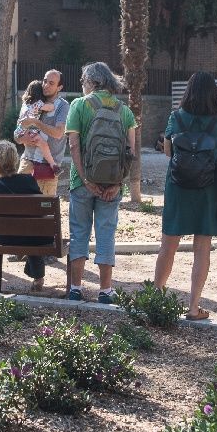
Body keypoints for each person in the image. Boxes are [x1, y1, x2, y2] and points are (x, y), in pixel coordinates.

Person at [154, 71, 217, 322]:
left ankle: (155, 299)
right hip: (207, 189)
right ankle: (194, 307)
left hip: (178, 186)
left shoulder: (176, 117)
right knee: (202, 249)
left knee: (168, 245)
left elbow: (167, 151)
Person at [64, 61, 137, 304]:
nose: (82, 85)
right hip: (112, 185)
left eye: (84, 81)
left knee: (79, 233)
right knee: (106, 234)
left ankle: (75, 288)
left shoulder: (79, 105)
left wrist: (86, 180)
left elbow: (73, 144)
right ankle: (105, 290)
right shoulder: (124, 111)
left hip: (81, 182)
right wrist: (117, 183)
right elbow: (131, 151)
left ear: (93, 82)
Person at [0, 139, 54, 289]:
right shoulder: (29, 181)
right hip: (36, 237)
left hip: (6, 237)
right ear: (15, 160)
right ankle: (38, 277)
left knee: (26, 231)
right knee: (32, 231)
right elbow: (39, 211)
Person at [17, 69, 70, 196]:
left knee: (44, 209)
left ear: (59, 87)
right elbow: (17, 134)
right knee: (19, 206)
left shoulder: (63, 106)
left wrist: (36, 122)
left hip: (48, 167)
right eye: (45, 81)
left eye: (51, 83)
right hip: (27, 161)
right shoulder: (30, 103)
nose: (46, 85)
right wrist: (23, 139)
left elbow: (58, 133)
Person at [17, 79, 60, 175]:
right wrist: (50, 103)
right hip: (28, 130)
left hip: (20, 130)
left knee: (32, 146)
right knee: (43, 144)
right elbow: (52, 107)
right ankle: (53, 165)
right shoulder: (37, 104)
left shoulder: (25, 103)